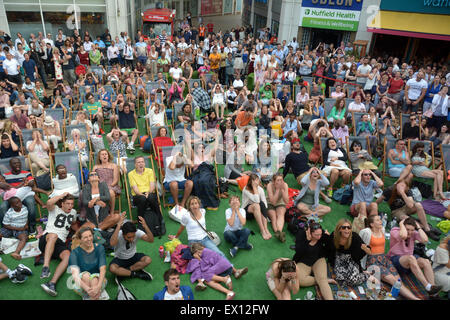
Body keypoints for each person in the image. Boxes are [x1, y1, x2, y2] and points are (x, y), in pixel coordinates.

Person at [359, 215, 420, 300]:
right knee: (392, 280)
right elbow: (360, 247)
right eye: (378, 220)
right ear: (372, 224)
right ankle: (415, 299)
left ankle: (396, 295)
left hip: (384, 259)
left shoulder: (382, 230)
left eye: (380, 219)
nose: (381, 221)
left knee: (398, 281)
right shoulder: (366, 232)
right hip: (373, 262)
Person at [387, 217, 442, 298]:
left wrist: (418, 227)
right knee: (411, 258)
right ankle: (427, 286)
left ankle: (433, 292)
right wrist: (401, 223)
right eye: (407, 229)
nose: (410, 232)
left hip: (410, 262)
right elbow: (403, 236)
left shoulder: (414, 233)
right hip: (395, 260)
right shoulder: (395, 230)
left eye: (412, 230)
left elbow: (425, 240)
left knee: (425, 261)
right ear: (403, 227)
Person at [39, 193, 77, 297]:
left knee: (68, 256)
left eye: (72, 204)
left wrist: (79, 233)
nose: (70, 206)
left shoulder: (73, 212)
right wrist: (62, 195)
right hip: (47, 238)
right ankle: (46, 267)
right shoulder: (54, 209)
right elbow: (49, 202)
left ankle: (52, 283)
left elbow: (73, 224)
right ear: (62, 204)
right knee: (54, 235)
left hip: (60, 242)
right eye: (68, 204)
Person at [293, 221, 335, 300]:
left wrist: (329, 238)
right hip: (304, 262)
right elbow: (298, 251)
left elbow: (331, 247)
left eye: (320, 234)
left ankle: (323, 281)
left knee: (322, 282)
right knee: (298, 279)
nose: (319, 237)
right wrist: (307, 241)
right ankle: (323, 280)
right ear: (309, 232)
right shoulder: (301, 234)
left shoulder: (322, 234)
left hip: (318, 260)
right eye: (316, 235)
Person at [325, 219, 374, 287]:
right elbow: (328, 247)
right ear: (339, 229)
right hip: (339, 259)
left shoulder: (354, 237)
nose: (347, 229)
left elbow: (368, 252)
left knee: (353, 280)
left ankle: (366, 275)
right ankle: (360, 273)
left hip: (351, 260)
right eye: (344, 227)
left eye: (349, 227)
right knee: (340, 280)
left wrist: (365, 249)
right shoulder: (334, 236)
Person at [109, 212, 154, 280]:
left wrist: (146, 227)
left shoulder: (137, 232)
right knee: (112, 268)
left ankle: (125, 272)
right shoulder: (119, 234)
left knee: (148, 260)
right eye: (128, 237)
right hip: (120, 258)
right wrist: (118, 226)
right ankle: (135, 274)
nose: (132, 239)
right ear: (123, 234)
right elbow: (112, 243)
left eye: (133, 236)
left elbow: (151, 240)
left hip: (133, 256)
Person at [68, 227, 109, 300]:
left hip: (99, 280)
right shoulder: (74, 253)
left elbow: (103, 269)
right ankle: (95, 295)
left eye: (90, 236)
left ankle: (91, 296)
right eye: (85, 237)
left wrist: (98, 286)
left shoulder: (99, 248)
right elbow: (75, 275)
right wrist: (87, 289)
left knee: (94, 279)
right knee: (86, 275)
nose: (89, 239)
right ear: (80, 239)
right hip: (82, 284)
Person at [0, 157, 37, 234]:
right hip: (11, 197)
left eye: (19, 163)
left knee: (30, 202)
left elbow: (32, 183)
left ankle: (31, 225)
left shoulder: (26, 173)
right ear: (10, 165)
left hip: (24, 194)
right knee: (2, 207)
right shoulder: (5, 175)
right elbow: (1, 184)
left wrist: (28, 182)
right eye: (15, 163)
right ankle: (6, 228)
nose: (17, 165)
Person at [128, 155, 163, 223]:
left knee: (151, 197)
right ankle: (141, 221)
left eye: (142, 162)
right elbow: (135, 189)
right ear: (135, 164)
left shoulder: (150, 171)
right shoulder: (131, 174)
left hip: (149, 192)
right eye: (138, 162)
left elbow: (152, 185)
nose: (141, 164)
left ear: (144, 163)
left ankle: (159, 219)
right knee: (143, 199)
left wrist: (148, 193)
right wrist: (142, 195)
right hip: (138, 195)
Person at [242, 174, 271, 240]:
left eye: (258, 180)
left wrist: (265, 214)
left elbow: (264, 202)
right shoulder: (246, 189)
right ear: (251, 181)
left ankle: (266, 229)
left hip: (257, 211)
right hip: (247, 211)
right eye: (255, 180)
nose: (257, 182)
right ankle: (262, 230)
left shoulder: (260, 189)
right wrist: (254, 188)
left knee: (262, 203)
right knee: (257, 205)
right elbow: (256, 200)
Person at [93, 149, 121, 216]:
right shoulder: (96, 167)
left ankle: (111, 212)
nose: (104, 156)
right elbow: (93, 178)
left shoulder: (114, 166)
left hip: (112, 185)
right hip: (99, 186)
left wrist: (109, 187)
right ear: (99, 157)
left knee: (110, 192)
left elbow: (116, 180)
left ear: (108, 156)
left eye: (106, 154)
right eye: (102, 154)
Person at [266, 174, 289, 242]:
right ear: (273, 181)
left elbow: (286, 201)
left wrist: (282, 190)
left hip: (280, 202)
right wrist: (277, 190)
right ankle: (278, 233)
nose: (280, 182)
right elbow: (273, 202)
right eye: (278, 180)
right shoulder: (269, 185)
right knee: (274, 216)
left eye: (281, 180)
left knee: (281, 214)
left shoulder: (285, 185)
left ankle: (279, 232)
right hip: (270, 202)